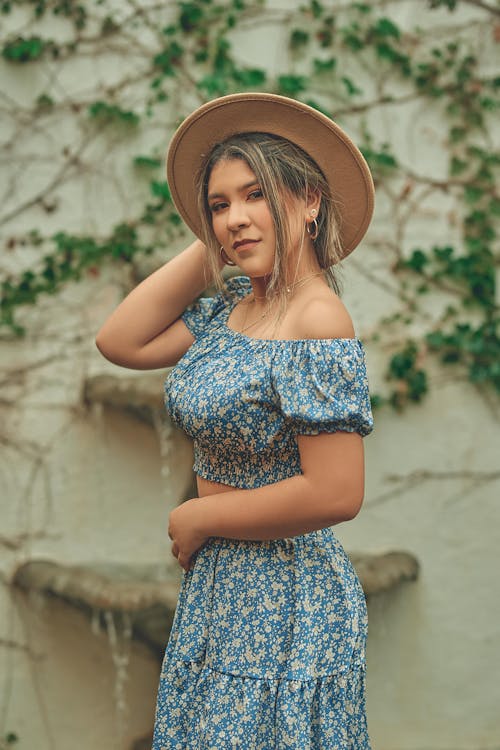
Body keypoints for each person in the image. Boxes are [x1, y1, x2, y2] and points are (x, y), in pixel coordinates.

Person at [95, 92, 375, 748]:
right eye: (219, 204)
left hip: (284, 595)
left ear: (309, 199)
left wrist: (198, 516)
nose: (234, 218)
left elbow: (337, 492)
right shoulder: (231, 310)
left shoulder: (316, 317)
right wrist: (219, 244)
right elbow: (120, 341)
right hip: (224, 587)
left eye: (255, 195)